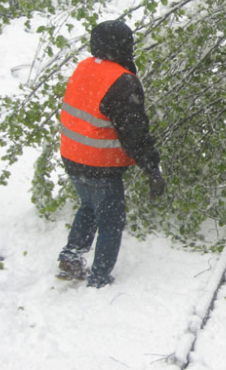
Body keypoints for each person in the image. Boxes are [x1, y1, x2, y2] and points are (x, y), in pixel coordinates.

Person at [56, 20, 165, 288]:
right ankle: (99, 277)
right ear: (123, 45)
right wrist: (152, 168)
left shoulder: (85, 67)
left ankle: (71, 257)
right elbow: (134, 134)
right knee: (111, 220)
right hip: (100, 163)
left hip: (72, 156)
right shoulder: (121, 81)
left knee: (89, 206)